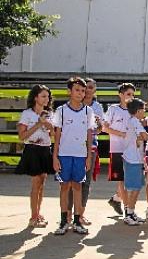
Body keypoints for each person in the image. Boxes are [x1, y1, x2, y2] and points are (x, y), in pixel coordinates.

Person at [52, 77, 95, 235]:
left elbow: (90, 135)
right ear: (69, 91)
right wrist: (55, 156)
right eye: (77, 90)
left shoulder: (88, 111)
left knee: (78, 186)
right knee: (64, 187)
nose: (80, 93)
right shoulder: (61, 111)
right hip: (64, 154)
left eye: (83, 90)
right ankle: (64, 221)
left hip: (80, 155)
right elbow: (57, 135)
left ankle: (77, 220)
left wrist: (88, 156)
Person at [16, 84, 55, 228]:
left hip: (45, 149)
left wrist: (50, 127)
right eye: (43, 96)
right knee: (35, 183)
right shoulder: (27, 114)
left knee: (42, 184)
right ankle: (33, 217)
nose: (47, 99)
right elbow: (22, 136)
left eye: (48, 96)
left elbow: (54, 135)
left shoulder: (50, 114)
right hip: (32, 149)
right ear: (35, 97)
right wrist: (38, 124)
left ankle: (38, 213)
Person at [67, 78, 103, 226]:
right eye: (85, 87)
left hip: (91, 147)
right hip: (72, 147)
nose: (88, 91)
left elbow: (100, 129)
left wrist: (98, 124)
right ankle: (67, 214)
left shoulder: (97, 107)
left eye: (91, 88)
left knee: (85, 182)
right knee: (70, 182)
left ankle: (80, 214)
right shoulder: (71, 107)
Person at [104, 83, 135, 216]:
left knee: (129, 179)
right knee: (122, 179)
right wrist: (121, 134)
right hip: (117, 149)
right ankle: (128, 209)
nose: (131, 97)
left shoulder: (134, 110)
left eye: (133, 94)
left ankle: (117, 198)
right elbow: (105, 128)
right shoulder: (113, 109)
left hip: (131, 150)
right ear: (120, 95)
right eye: (128, 94)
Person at [122, 99, 148, 225]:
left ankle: (131, 212)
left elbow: (140, 137)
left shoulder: (131, 121)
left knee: (135, 188)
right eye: (143, 109)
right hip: (133, 160)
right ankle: (129, 214)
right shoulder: (135, 122)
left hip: (134, 158)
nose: (145, 111)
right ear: (138, 111)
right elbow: (145, 137)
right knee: (134, 188)